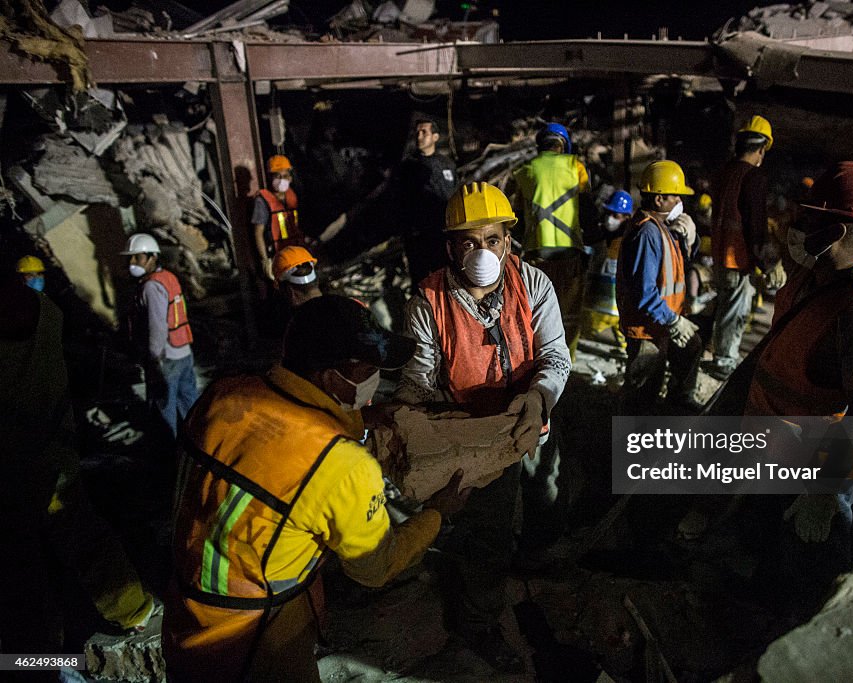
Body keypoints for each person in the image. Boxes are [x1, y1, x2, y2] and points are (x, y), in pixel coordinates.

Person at [163, 295, 469, 683]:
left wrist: (356, 417)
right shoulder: (342, 466)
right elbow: (375, 568)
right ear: (330, 377)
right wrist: (437, 514)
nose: (376, 376)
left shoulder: (225, 396)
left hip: (186, 617)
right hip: (256, 638)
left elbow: (278, 440)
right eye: (367, 368)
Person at [396, 181, 571, 671]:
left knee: (545, 488)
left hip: (533, 419)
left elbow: (555, 354)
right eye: (469, 242)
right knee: (488, 534)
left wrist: (538, 399)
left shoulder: (533, 284)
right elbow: (419, 382)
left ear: (508, 241)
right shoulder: (428, 302)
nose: (483, 252)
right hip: (476, 438)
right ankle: (478, 622)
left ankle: (537, 554)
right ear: (450, 246)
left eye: (492, 240)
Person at [746, 161, 853, 558]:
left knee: (810, 565)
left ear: (834, 231)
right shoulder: (810, 278)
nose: (794, 226)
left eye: (807, 218)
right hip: (775, 452)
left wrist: (824, 489)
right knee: (768, 560)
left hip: (815, 468)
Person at [0, 273, 157, 665]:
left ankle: (41, 659)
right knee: (76, 532)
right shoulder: (45, 314)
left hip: (19, 462)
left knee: (25, 567)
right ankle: (129, 613)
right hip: (51, 449)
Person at [616, 160, 703, 414]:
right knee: (642, 393)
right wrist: (674, 322)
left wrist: (690, 237)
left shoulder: (660, 227)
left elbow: (678, 263)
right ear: (658, 200)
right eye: (674, 195)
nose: (679, 201)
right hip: (648, 329)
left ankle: (678, 403)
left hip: (660, 323)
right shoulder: (647, 233)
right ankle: (628, 447)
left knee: (691, 347)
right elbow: (645, 292)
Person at [707, 115, 781, 380]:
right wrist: (770, 263)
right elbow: (756, 226)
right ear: (761, 150)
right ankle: (724, 361)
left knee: (724, 309)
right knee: (734, 314)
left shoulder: (724, 173)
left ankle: (716, 353)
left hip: (719, 256)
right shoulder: (754, 177)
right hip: (737, 259)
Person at [514, 122, 591, 360]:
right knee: (568, 315)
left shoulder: (526, 169)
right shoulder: (575, 166)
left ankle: (536, 360)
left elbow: (517, 214)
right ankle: (565, 362)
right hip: (569, 253)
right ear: (564, 145)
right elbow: (588, 210)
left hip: (537, 255)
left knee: (536, 312)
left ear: (541, 145)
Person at [122, 232, 199, 437]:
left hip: (166, 357)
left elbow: (157, 326)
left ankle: (169, 455)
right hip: (182, 351)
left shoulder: (150, 286)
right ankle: (200, 445)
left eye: (137, 257)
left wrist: (154, 358)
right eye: (130, 257)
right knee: (190, 404)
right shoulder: (168, 277)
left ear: (152, 257)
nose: (132, 262)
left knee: (163, 409)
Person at [395, 116, 458, 286]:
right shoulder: (409, 166)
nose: (419, 136)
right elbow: (400, 201)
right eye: (417, 133)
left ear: (435, 137)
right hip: (419, 235)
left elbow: (453, 193)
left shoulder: (446, 164)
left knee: (446, 278)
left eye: (424, 132)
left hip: (443, 233)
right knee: (421, 281)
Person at [581, 189, 633, 344]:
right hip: (592, 311)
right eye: (609, 213)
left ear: (626, 217)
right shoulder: (597, 237)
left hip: (618, 317)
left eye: (616, 215)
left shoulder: (630, 242)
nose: (610, 219)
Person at [253, 154, 307, 281]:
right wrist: (265, 260)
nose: (282, 180)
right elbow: (258, 233)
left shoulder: (292, 196)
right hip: (277, 254)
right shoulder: (263, 201)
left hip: (295, 252)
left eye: (285, 176)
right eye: (278, 176)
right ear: (271, 177)